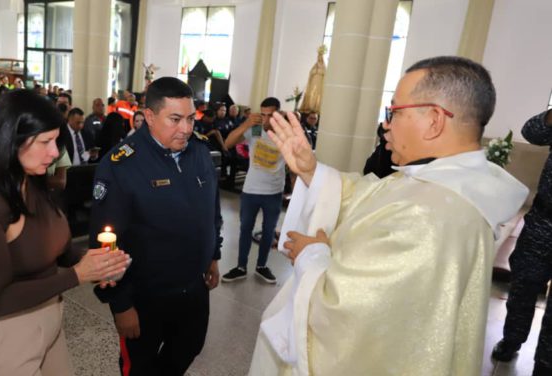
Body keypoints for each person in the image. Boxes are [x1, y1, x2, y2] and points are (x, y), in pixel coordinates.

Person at [248, 56, 529, 375]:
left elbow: (356, 317)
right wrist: (311, 170)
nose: (386, 123)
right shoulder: (439, 186)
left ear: (435, 119)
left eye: (394, 111)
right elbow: (367, 198)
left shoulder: (432, 213)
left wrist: (311, 255)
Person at [0, 89, 129, 374]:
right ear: (10, 141)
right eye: (46, 141)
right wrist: (79, 275)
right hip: (0, 334)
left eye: (56, 141)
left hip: (47, 321)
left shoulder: (35, 185)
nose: (56, 153)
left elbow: (60, 250)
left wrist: (98, 261)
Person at [90, 76, 222, 376]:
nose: (186, 129)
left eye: (190, 118)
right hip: (145, 295)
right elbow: (104, 243)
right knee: (139, 366)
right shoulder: (121, 165)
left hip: (193, 288)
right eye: (175, 119)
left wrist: (213, 255)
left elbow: (210, 210)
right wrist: (121, 305)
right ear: (149, 116)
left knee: (188, 348)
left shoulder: (199, 152)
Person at [491, 109, 552, 375]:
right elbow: (532, 132)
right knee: (524, 285)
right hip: (543, 221)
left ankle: (546, 362)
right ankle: (512, 339)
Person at [221, 97, 285, 284]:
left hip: (274, 191)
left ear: (278, 115)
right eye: (262, 115)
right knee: (245, 229)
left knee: (268, 230)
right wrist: (246, 124)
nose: (265, 120)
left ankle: (262, 266)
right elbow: (228, 143)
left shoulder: (284, 134)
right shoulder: (255, 130)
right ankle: (241, 267)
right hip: (251, 190)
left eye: (270, 116)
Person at [299, 46, 326, 113]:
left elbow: (325, 73)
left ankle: (316, 107)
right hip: (314, 81)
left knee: (317, 94)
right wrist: (315, 71)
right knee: (311, 94)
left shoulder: (323, 66)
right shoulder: (315, 65)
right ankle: (309, 106)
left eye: (320, 57)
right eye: (318, 57)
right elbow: (311, 72)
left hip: (319, 82)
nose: (319, 59)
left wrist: (319, 71)